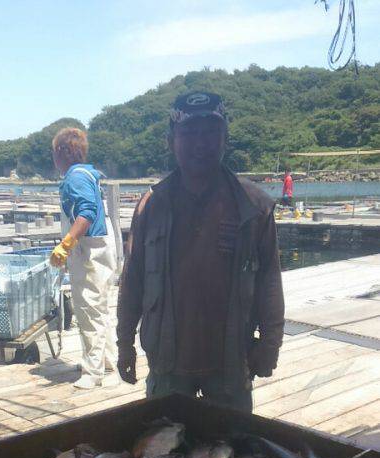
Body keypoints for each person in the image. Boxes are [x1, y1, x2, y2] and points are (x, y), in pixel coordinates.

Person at [116, 91, 285, 412]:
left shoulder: (253, 206)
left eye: (210, 132)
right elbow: (132, 280)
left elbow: (270, 282)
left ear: (225, 139)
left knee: (233, 441)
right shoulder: (151, 205)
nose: (200, 143)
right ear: (171, 142)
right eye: (189, 133)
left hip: (231, 361)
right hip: (167, 362)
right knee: (162, 439)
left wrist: (270, 343)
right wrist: (125, 343)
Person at [50, 128, 117, 390]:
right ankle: (107, 363)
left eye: (54, 152)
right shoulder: (88, 174)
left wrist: (66, 245)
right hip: (100, 247)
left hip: (89, 250)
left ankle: (93, 372)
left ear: (63, 152)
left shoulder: (76, 177)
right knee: (100, 309)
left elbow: (86, 212)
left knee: (89, 310)